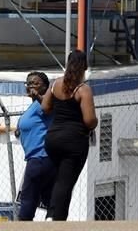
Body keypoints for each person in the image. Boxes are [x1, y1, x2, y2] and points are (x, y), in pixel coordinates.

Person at [41, 49, 97, 221]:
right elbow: (89, 120)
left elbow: (44, 107)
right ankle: (54, 217)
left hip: (53, 139)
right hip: (74, 141)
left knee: (59, 180)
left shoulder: (56, 84)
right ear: (84, 67)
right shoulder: (83, 90)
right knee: (66, 183)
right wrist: (95, 121)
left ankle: (55, 215)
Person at [16, 71, 54, 221]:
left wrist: (38, 96)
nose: (31, 86)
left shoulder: (44, 104)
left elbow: (48, 107)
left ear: (45, 86)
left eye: (35, 83)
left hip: (40, 158)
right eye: (28, 83)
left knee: (27, 201)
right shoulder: (33, 106)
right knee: (47, 198)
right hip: (38, 158)